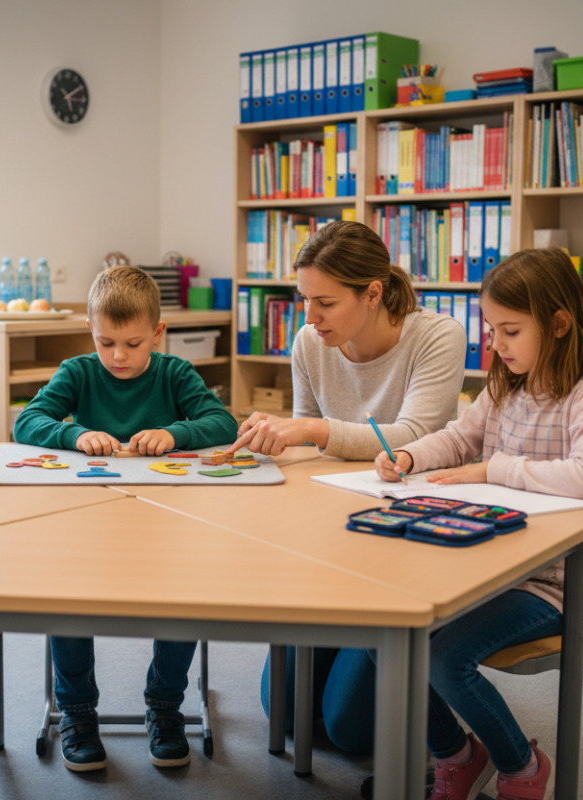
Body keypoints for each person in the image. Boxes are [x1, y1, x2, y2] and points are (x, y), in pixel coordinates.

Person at [373, 247, 583, 800]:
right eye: (491, 330)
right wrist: (410, 455)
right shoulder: (506, 386)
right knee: (384, 635)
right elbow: (459, 438)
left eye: (510, 331)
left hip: (557, 587)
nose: (496, 344)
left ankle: (522, 767)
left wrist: (494, 468)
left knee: (444, 659)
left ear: (559, 325)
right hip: (489, 568)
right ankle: (458, 757)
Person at [229, 219, 466, 754]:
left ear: (373, 293)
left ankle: (416, 656)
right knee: (285, 712)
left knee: (347, 730)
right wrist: (274, 439)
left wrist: (311, 430)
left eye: (325, 303)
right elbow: (306, 447)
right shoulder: (309, 343)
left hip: (409, 539)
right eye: (304, 300)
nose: (309, 317)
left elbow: (413, 438)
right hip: (336, 533)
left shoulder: (438, 335)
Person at [12, 264, 238, 772]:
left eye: (133, 344)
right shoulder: (78, 371)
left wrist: (175, 433)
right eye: (105, 342)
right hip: (89, 518)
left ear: (158, 333)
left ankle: (165, 705)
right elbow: (27, 421)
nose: (118, 356)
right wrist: (74, 434)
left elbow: (223, 422)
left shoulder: (175, 372)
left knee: (183, 594)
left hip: (167, 522)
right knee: (68, 596)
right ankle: (77, 712)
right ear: (90, 331)